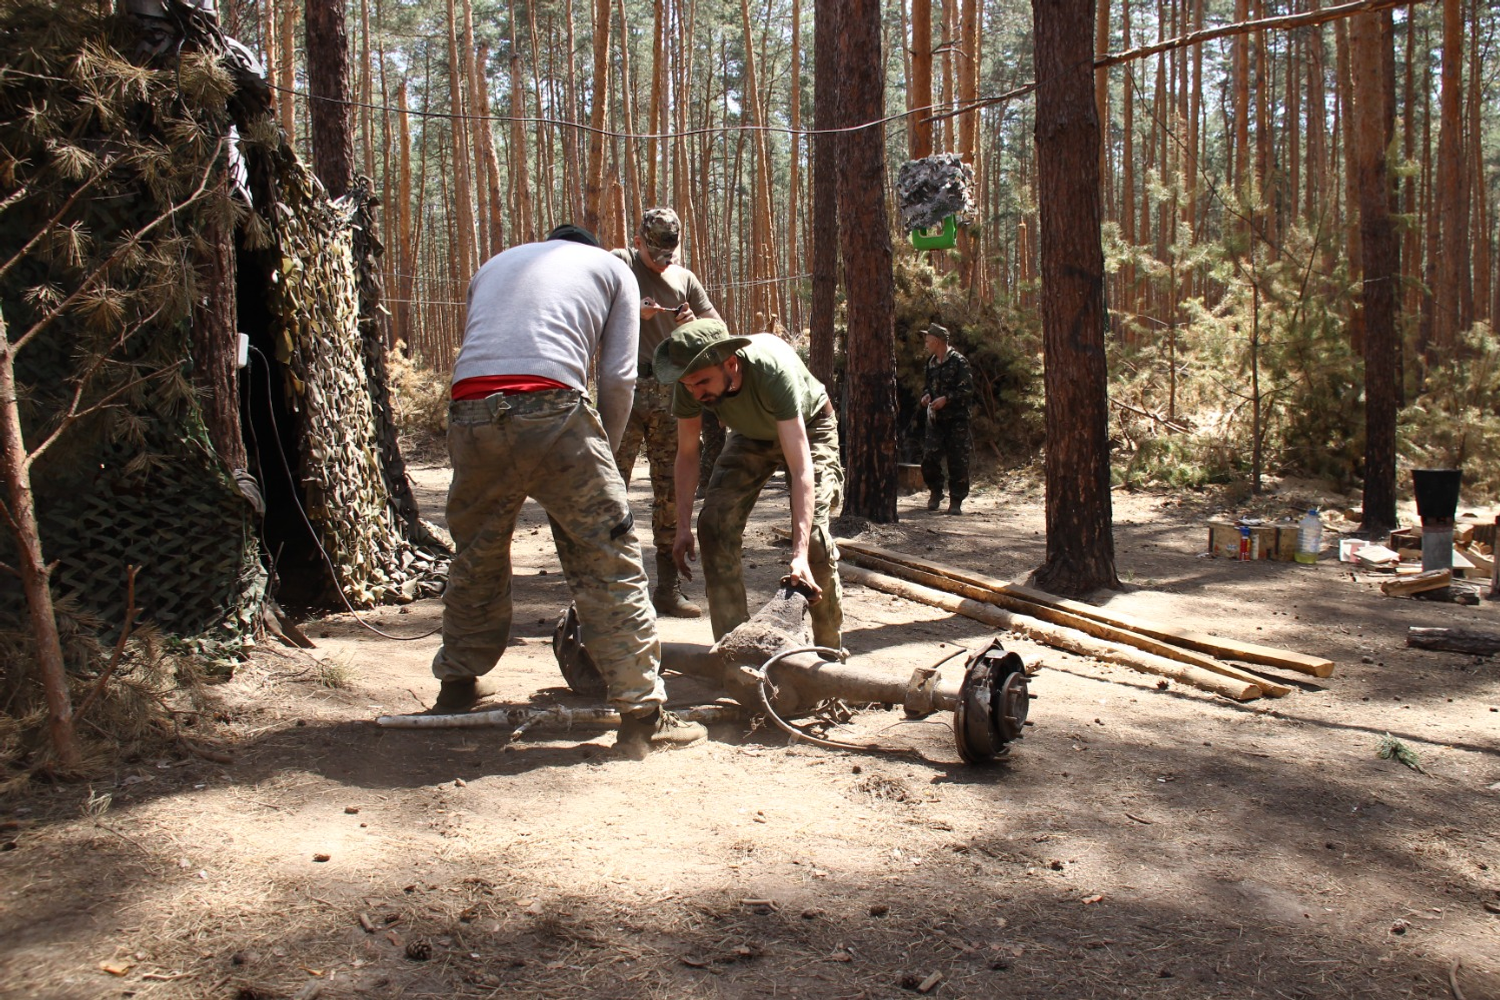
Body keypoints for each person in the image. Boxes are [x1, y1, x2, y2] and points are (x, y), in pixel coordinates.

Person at [430, 223, 705, 758]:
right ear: (591, 248)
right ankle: (642, 716)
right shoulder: (613, 270)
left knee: (477, 551)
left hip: (469, 411)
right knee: (608, 554)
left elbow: (489, 350)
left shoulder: (494, 264)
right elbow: (620, 375)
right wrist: (605, 455)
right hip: (553, 405)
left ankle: (457, 683)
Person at [656, 320, 845, 652]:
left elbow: (801, 467)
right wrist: (683, 525)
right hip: (751, 433)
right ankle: (734, 651)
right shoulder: (691, 382)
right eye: (688, 385)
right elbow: (687, 455)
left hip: (810, 425)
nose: (696, 393)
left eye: (702, 382)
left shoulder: (772, 373)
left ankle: (828, 656)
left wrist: (798, 555)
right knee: (714, 526)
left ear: (731, 363)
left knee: (814, 539)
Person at [611, 207, 722, 619]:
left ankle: (667, 588)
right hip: (622, 390)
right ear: (638, 240)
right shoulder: (619, 264)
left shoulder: (684, 279)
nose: (663, 262)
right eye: (656, 253)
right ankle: (614, 588)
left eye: (669, 254)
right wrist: (629, 309)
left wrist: (691, 326)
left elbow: (719, 330)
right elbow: (593, 306)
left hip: (670, 393)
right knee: (610, 486)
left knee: (670, 489)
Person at [919, 321, 975, 515]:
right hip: (936, 420)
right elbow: (927, 386)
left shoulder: (959, 362)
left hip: (957, 420)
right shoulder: (931, 363)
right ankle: (935, 492)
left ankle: (956, 501)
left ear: (937, 341)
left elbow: (967, 391)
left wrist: (947, 399)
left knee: (957, 460)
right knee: (929, 458)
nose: (926, 344)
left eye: (928, 341)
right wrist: (926, 396)